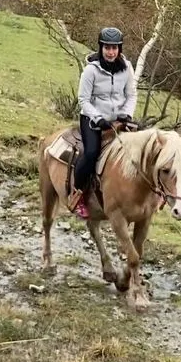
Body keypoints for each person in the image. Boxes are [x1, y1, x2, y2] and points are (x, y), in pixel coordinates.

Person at [67, 26, 137, 219]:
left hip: (119, 119)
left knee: (140, 150)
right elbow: (83, 100)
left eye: (114, 47)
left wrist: (126, 113)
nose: (111, 51)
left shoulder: (127, 68)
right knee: (90, 154)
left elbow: (131, 95)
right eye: (107, 47)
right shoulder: (91, 70)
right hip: (93, 120)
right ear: (101, 47)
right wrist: (97, 117)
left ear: (119, 49)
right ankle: (78, 195)